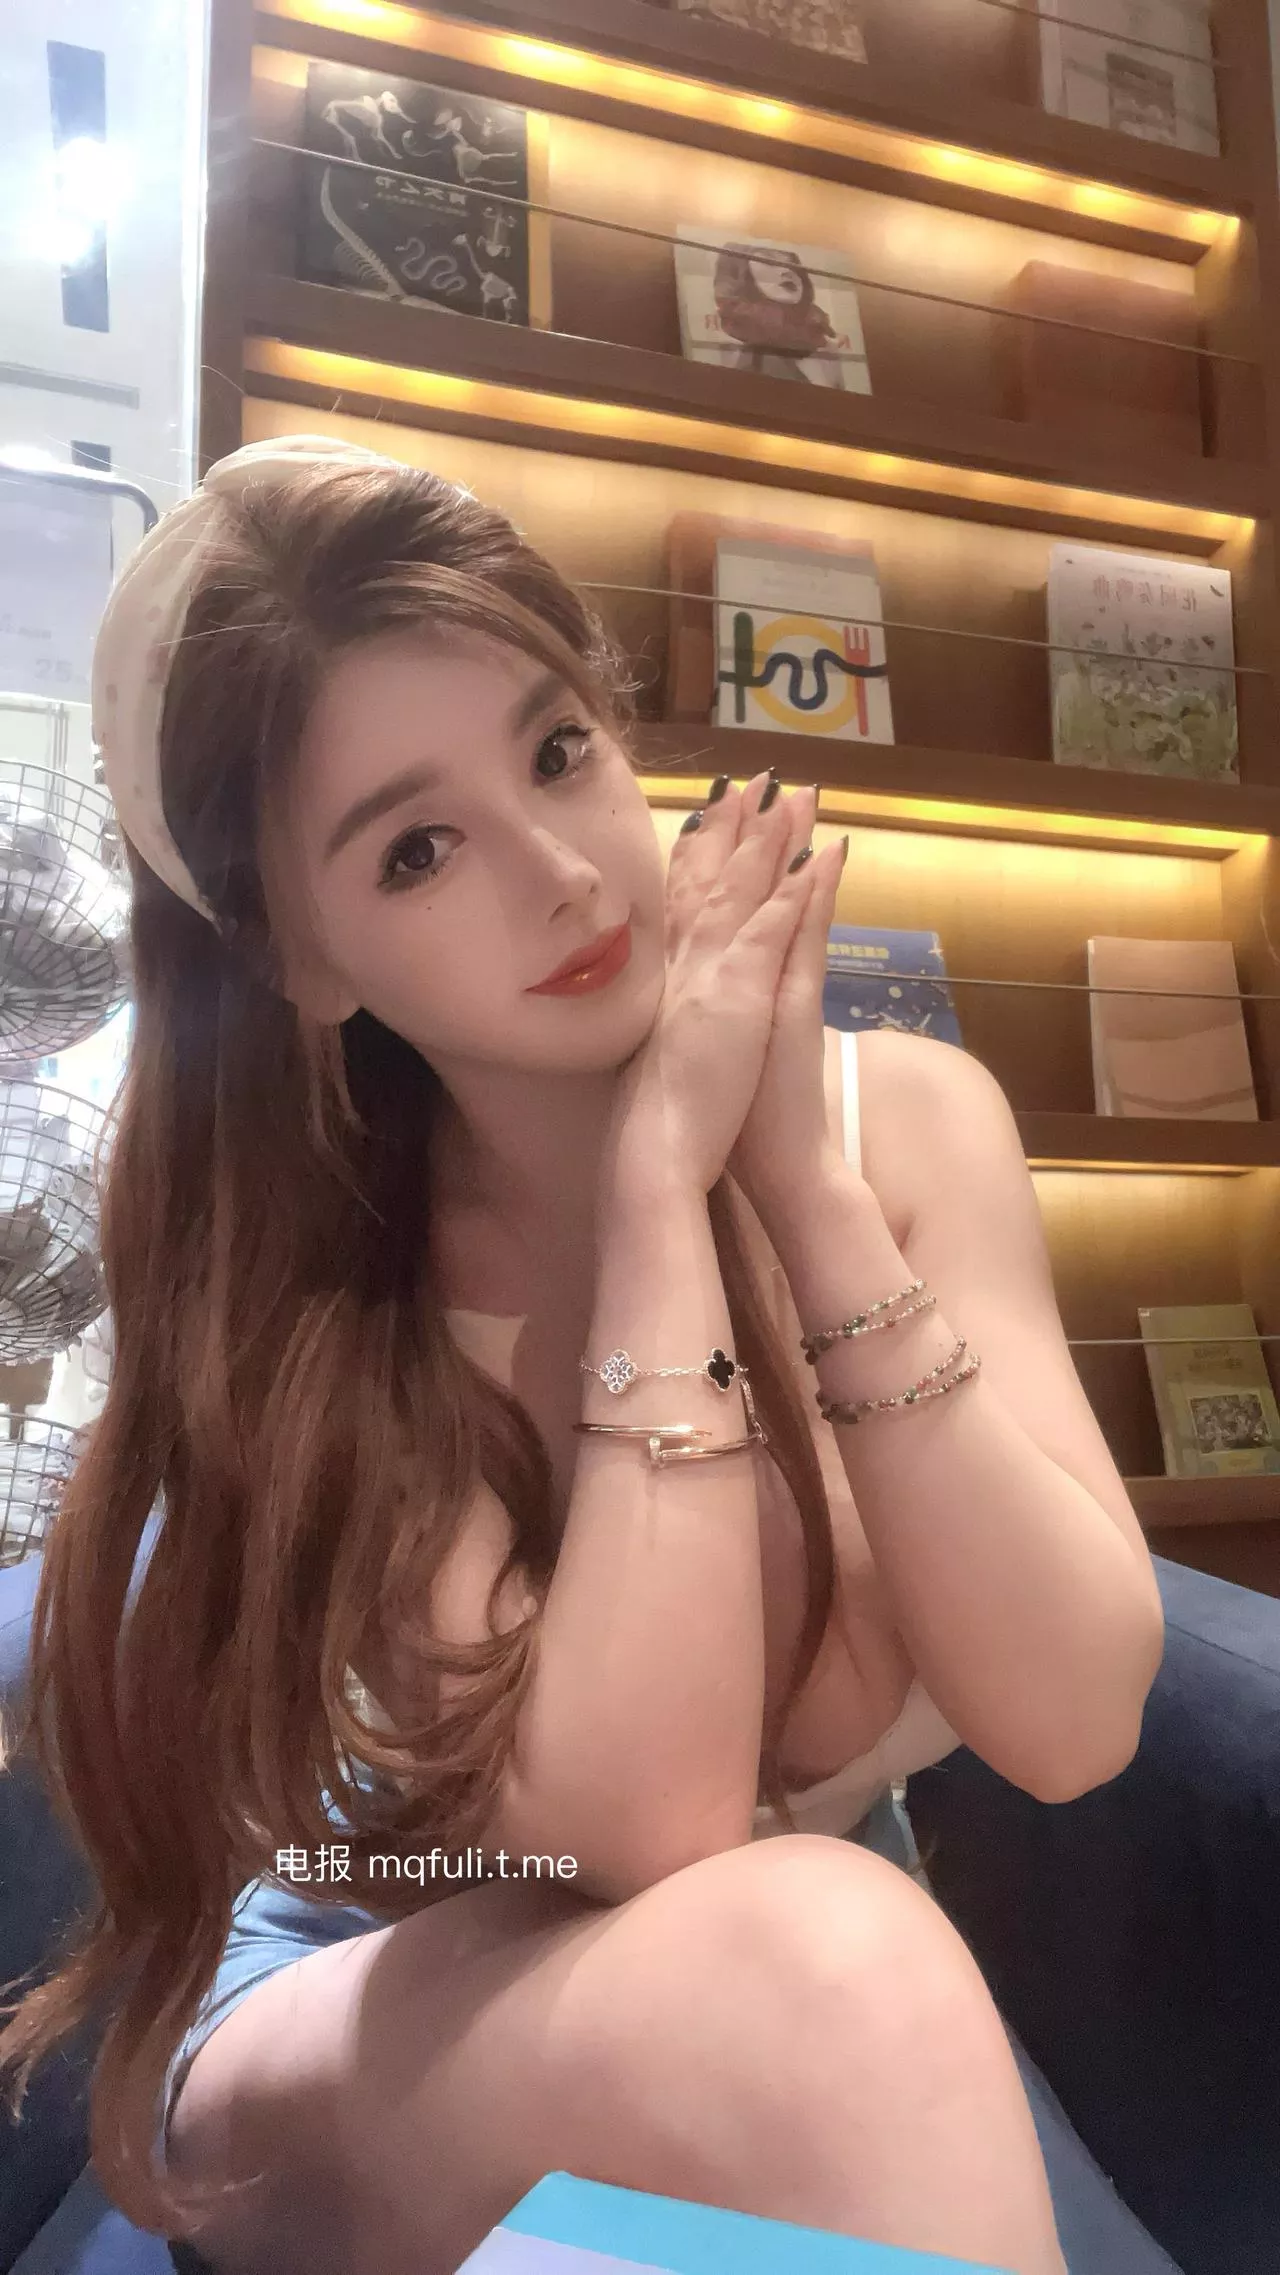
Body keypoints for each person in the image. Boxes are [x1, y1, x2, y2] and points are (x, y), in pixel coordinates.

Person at [0, 435, 1168, 2275]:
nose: (559, 873)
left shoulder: (908, 1122)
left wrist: (801, 1182)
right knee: (837, 1966)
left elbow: (1077, 1715)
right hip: (375, 1997)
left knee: (837, 1976)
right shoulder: (335, 1302)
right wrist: (654, 1202)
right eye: (417, 848)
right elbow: (646, 1828)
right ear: (305, 960)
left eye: (556, 750)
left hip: (788, 2014)